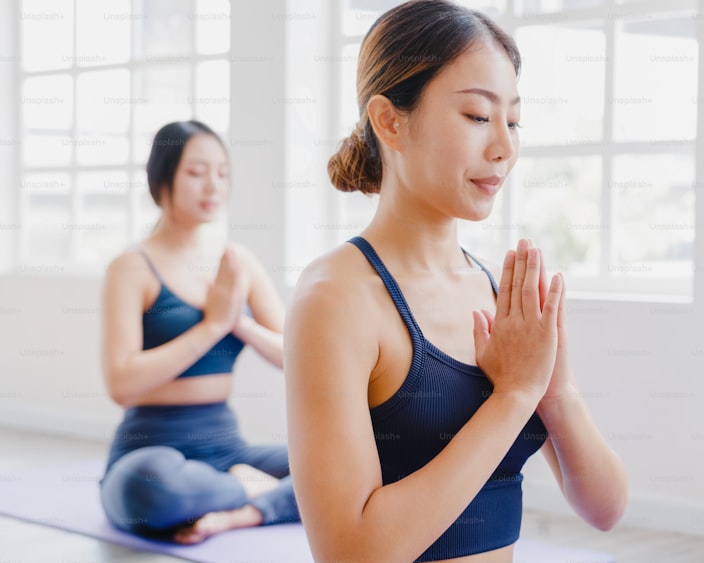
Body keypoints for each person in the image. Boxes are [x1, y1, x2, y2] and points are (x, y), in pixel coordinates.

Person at [285, 1, 628, 561]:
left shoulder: (497, 292)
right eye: (477, 116)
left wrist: (553, 389)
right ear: (390, 120)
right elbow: (350, 553)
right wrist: (514, 395)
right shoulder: (336, 297)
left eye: (513, 121)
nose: (504, 147)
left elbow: (606, 509)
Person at [99, 120, 299, 544]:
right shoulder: (132, 267)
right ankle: (250, 491)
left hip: (228, 449)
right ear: (163, 176)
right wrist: (212, 327)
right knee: (151, 489)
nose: (213, 185)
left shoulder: (237, 262)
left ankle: (239, 512)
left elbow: (296, 357)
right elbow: (122, 384)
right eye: (196, 172)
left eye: (222, 173)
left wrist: (237, 322)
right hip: (150, 451)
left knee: (353, 464)